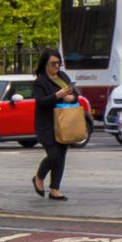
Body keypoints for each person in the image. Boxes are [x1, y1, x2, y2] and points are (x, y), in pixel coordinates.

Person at [30, 49, 76, 201]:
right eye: (53, 63)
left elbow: (75, 94)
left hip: (63, 123)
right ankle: (39, 177)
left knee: (61, 156)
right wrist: (57, 96)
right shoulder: (40, 81)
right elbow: (40, 101)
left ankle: (55, 189)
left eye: (58, 63)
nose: (56, 66)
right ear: (45, 64)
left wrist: (71, 97)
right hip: (46, 124)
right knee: (54, 156)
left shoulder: (63, 76)